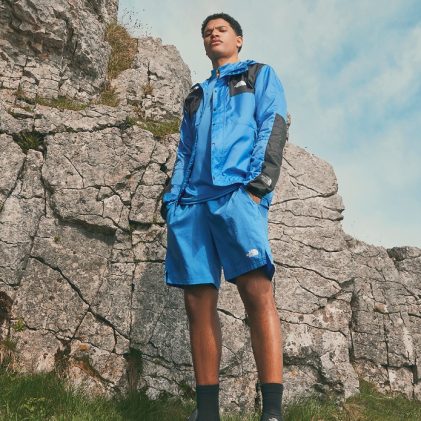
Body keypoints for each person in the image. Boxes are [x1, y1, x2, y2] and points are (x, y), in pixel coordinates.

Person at [161, 12, 287, 421]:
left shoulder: (257, 75)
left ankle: (271, 412)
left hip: (237, 194)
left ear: (239, 39)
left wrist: (257, 187)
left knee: (256, 291)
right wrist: (172, 199)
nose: (213, 34)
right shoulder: (196, 94)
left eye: (221, 30)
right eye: (207, 32)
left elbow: (272, 124)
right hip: (192, 205)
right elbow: (184, 150)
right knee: (197, 302)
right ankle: (207, 414)